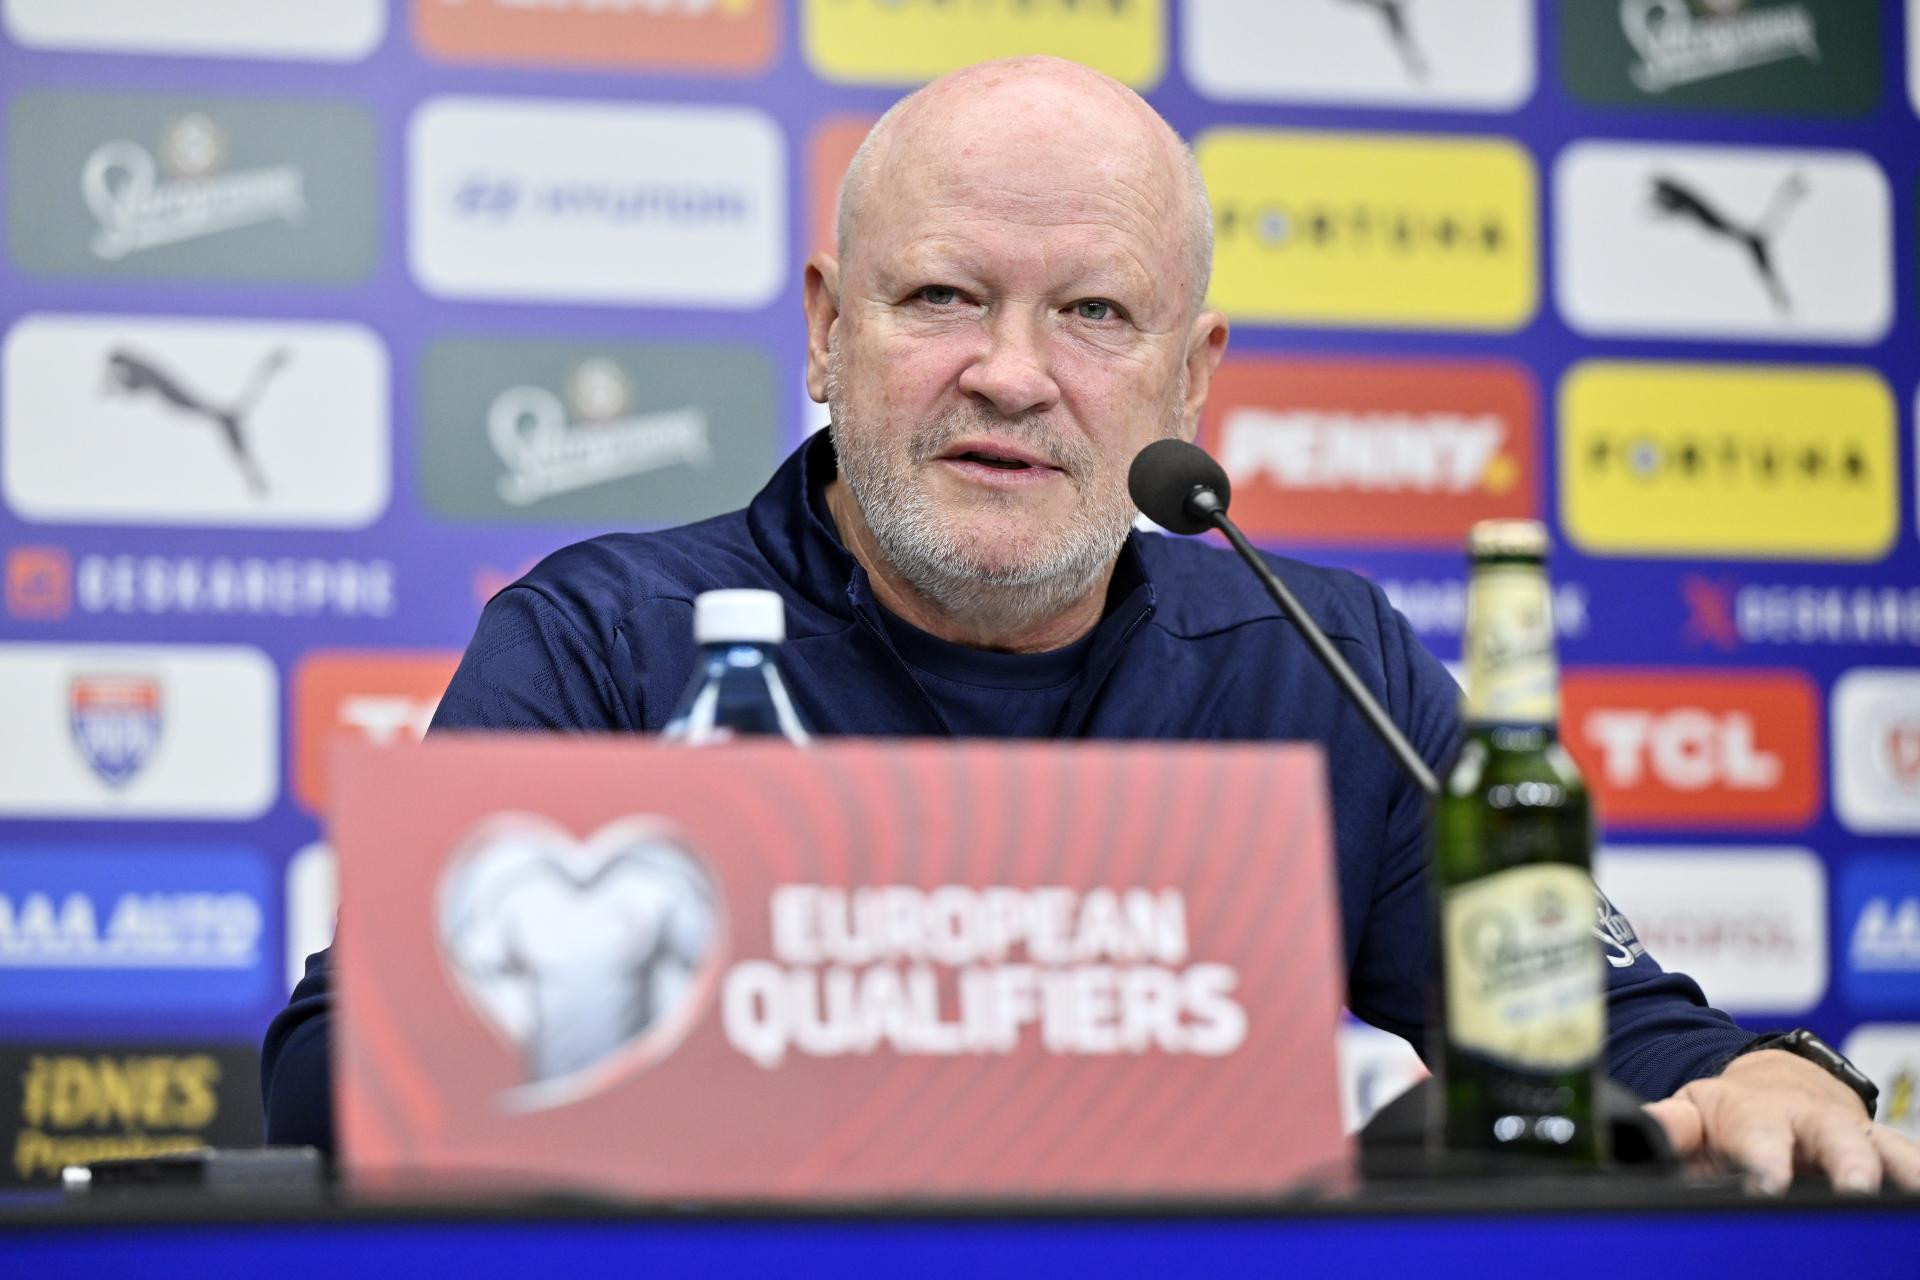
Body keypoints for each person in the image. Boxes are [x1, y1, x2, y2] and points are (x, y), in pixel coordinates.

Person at [265, 56, 1919, 1194]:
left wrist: (1775, 1076)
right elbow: (343, 1071)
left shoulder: (1315, 653)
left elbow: (1588, 1025)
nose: (1011, 372)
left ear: (1190, 378)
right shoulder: (607, 642)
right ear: (829, 333)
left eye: (1093, 313)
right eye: (941, 296)